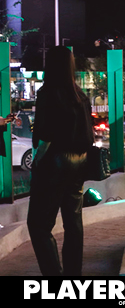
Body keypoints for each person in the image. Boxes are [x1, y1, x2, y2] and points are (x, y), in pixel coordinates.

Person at [28, 46, 93, 276]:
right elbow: (89, 136)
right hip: (79, 164)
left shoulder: (48, 93)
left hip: (54, 164)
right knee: (73, 221)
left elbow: (44, 136)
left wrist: (36, 161)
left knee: (38, 225)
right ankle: (73, 276)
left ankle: (53, 277)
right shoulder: (81, 96)